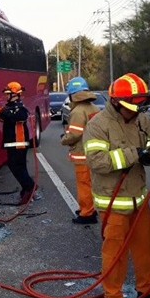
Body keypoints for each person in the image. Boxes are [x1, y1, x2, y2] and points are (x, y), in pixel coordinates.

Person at [83, 73, 150, 298]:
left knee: (147, 248)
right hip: (113, 201)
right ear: (115, 103)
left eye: (140, 106)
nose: (135, 112)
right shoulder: (97, 124)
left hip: (138, 198)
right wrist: (134, 154)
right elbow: (97, 161)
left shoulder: (141, 118)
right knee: (115, 253)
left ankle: (147, 293)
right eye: (131, 107)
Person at [0, 82, 39, 205]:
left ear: (15, 94)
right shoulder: (10, 107)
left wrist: (6, 112)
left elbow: (20, 117)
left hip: (18, 143)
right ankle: (27, 188)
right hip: (13, 143)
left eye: (8, 94)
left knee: (15, 166)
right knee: (20, 167)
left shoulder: (20, 108)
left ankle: (30, 187)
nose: (6, 96)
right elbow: (5, 118)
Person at [60, 77, 100, 224]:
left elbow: (75, 134)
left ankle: (87, 213)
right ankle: (89, 208)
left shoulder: (78, 112)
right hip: (93, 152)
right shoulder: (93, 108)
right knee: (90, 184)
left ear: (72, 95)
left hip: (82, 154)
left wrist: (64, 139)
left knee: (83, 184)